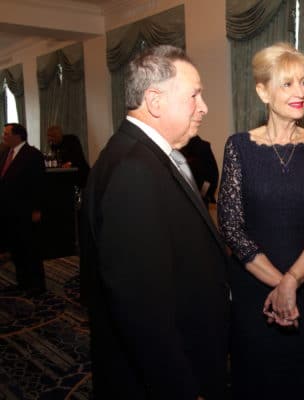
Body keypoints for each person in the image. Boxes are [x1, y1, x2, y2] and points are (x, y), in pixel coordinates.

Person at [79, 45, 230, 399]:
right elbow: (142, 307)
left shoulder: (146, 155)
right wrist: (181, 388)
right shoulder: (134, 170)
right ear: (155, 101)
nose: (204, 107)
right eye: (194, 95)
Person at [217, 42, 304, 399]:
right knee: (257, 383)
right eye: (287, 84)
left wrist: (292, 282)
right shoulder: (238, 147)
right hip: (255, 292)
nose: (301, 92)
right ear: (263, 92)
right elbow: (231, 226)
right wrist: (282, 286)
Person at [0, 123, 46, 294]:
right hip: (9, 210)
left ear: (17, 136)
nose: (3, 136)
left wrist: (37, 209)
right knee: (16, 249)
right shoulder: (6, 153)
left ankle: (37, 285)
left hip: (26, 210)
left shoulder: (32, 154)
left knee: (30, 248)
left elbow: (39, 184)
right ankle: (23, 282)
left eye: (6, 133)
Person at [180, 134, 219, 205]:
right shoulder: (179, 148)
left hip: (198, 194)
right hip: (189, 194)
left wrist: (203, 195)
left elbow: (211, 176)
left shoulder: (201, 148)